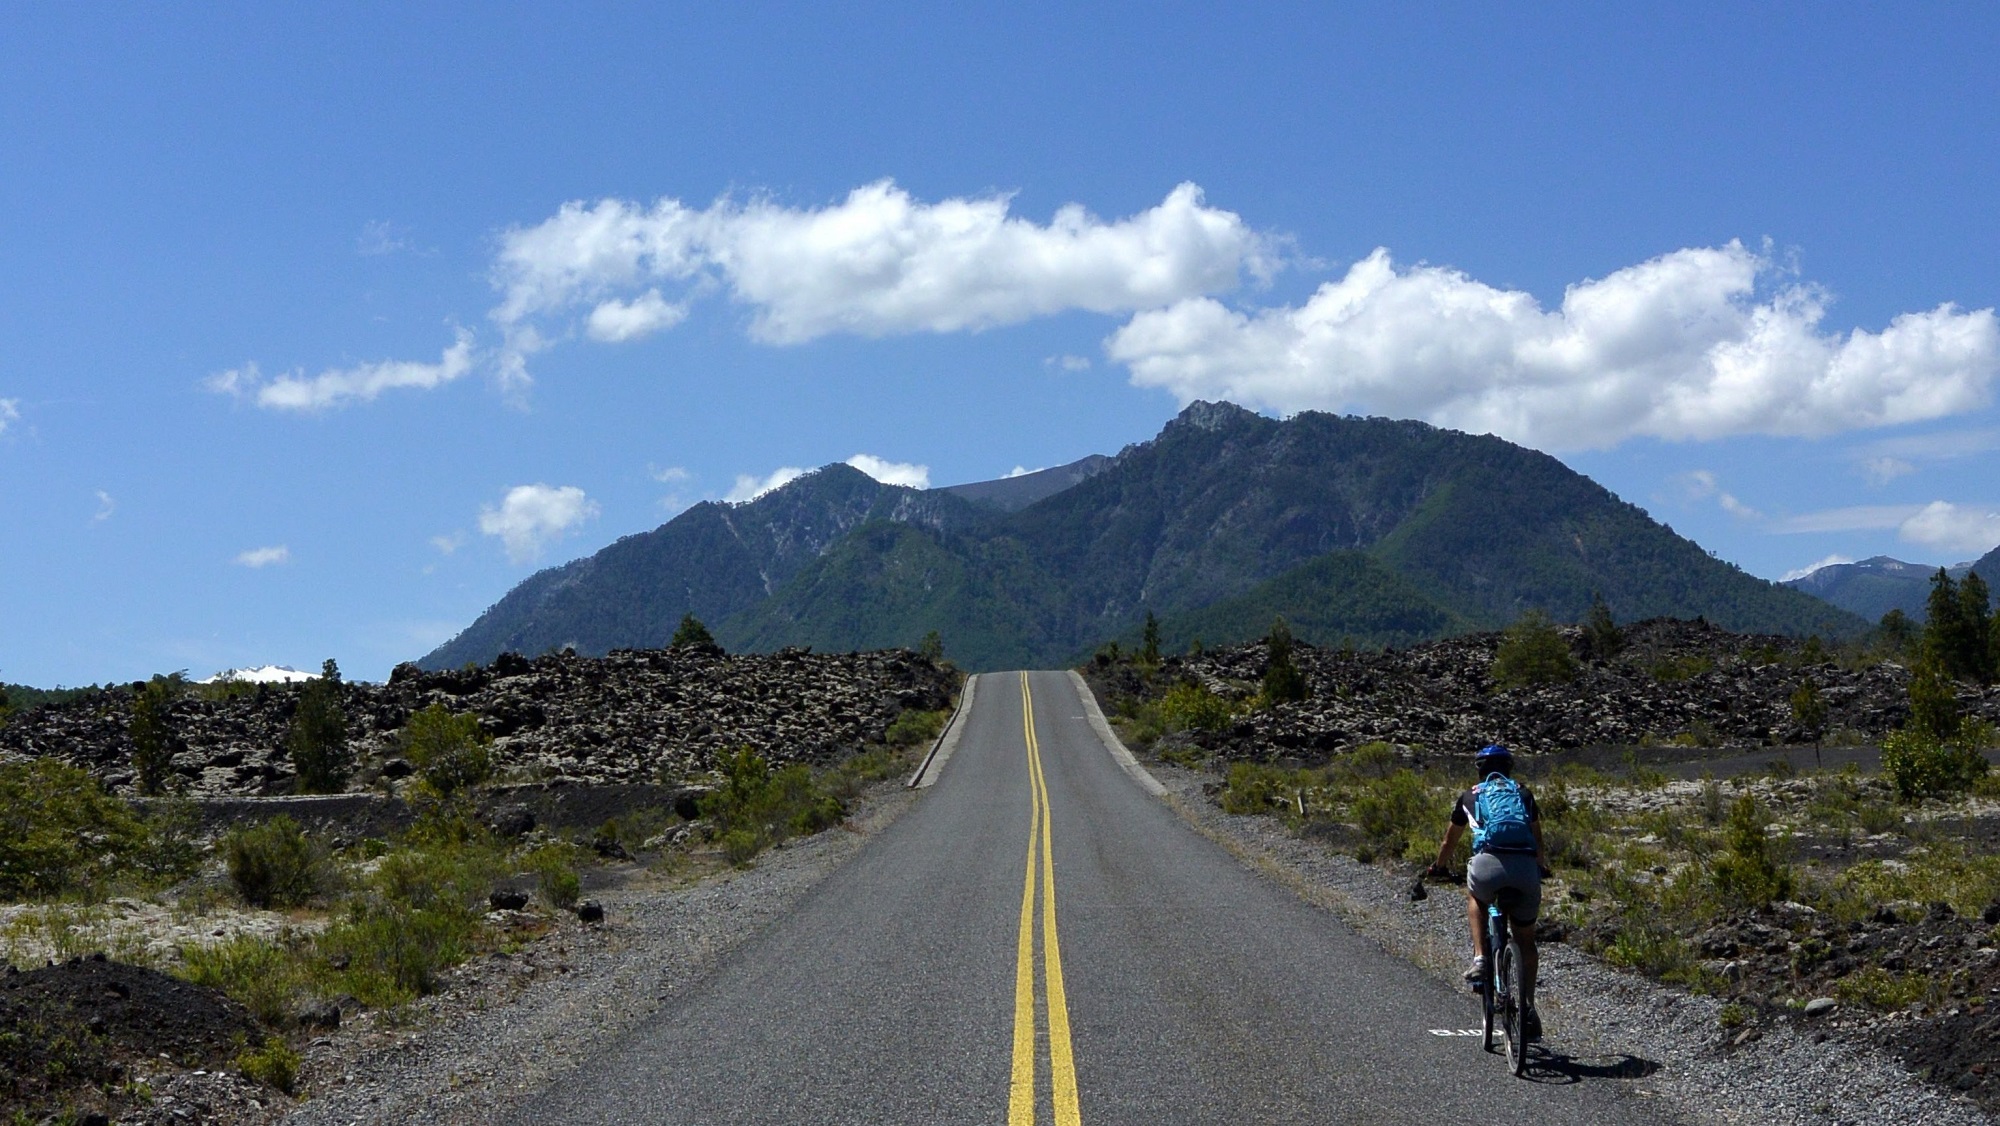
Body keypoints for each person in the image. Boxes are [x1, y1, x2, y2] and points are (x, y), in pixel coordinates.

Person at [1426, 744, 1550, 1041]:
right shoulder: (1523, 794)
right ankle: (1528, 1006)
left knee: (1476, 896)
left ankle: (1481, 958)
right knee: (1526, 939)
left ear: (1479, 769)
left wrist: (1438, 868)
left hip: (1487, 865)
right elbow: (1537, 839)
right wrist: (1541, 867)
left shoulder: (1470, 795)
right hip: (1524, 870)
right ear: (1509, 768)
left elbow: (1449, 842)